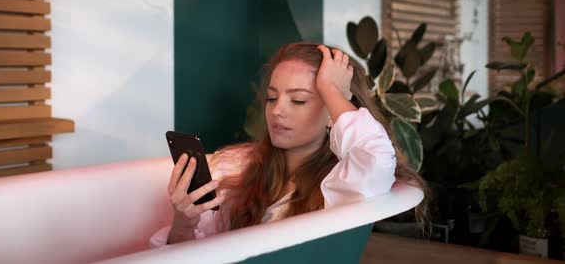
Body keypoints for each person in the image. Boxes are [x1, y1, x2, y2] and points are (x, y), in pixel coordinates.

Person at [150, 42, 427, 247]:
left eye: (298, 100)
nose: (277, 111)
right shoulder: (238, 166)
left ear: (334, 110)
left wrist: (333, 90)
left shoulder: (344, 184)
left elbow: (376, 159)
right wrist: (184, 222)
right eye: (272, 98)